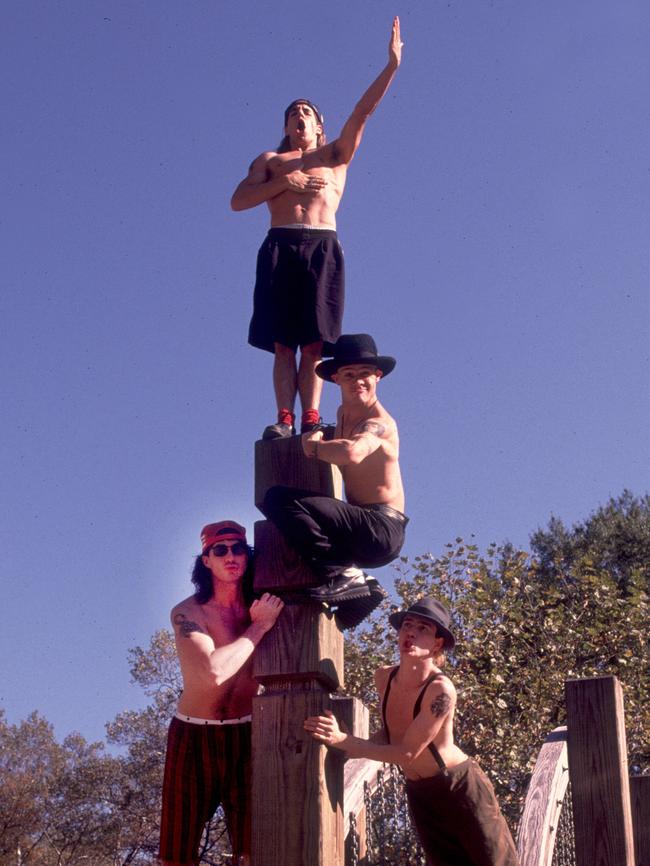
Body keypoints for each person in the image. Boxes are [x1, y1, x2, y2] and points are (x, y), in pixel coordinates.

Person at [231, 18, 403, 441]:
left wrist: (391, 67)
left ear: (318, 126)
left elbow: (363, 112)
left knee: (312, 343)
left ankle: (310, 415)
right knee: (281, 344)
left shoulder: (335, 153)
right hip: (280, 243)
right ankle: (283, 418)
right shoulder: (271, 160)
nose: (299, 117)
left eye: (306, 112)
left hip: (322, 246)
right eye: (292, 113)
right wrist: (282, 183)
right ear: (286, 126)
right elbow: (238, 201)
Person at [304, 598, 520, 866]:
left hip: (460, 788)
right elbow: (391, 733)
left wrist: (344, 740)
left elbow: (407, 753)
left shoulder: (441, 690)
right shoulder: (383, 677)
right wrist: (347, 746)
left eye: (423, 629)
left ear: (437, 643)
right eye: (407, 625)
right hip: (420, 791)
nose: (411, 633)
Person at [159, 521, 284, 866]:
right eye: (220, 549)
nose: (231, 556)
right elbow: (211, 674)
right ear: (206, 560)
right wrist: (259, 627)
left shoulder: (264, 605)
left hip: (246, 734)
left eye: (238, 548)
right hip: (193, 736)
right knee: (176, 855)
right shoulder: (190, 613)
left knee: (253, 851)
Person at [261, 333, 407, 628]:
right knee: (291, 515)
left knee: (277, 499)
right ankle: (358, 594)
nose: (358, 382)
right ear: (336, 379)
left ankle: (345, 575)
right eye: (349, 375)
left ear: (378, 376)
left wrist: (313, 447)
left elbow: (353, 452)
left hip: (381, 528)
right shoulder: (342, 415)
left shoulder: (378, 422)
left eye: (365, 374)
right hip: (358, 530)